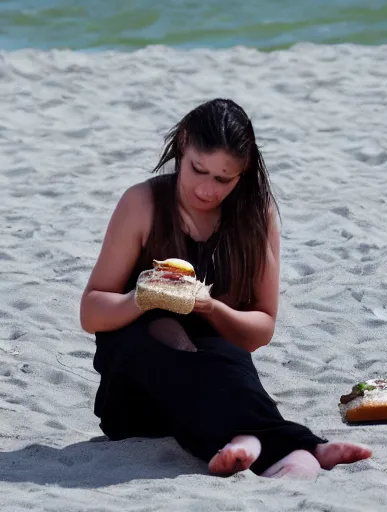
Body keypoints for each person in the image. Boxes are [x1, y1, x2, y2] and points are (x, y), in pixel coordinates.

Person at [80, 98, 371, 478]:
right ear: (182, 145)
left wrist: (212, 309)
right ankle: (300, 444)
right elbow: (90, 312)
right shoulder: (143, 203)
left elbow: (261, 328)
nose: (206, 189)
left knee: (222, 353)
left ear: (243, 171)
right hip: (136, 390)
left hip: (221, 375)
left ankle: (249, 443)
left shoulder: (255, 216)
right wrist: (143, 297)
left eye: (222, 179)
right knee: (160, 336)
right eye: (198, 170)